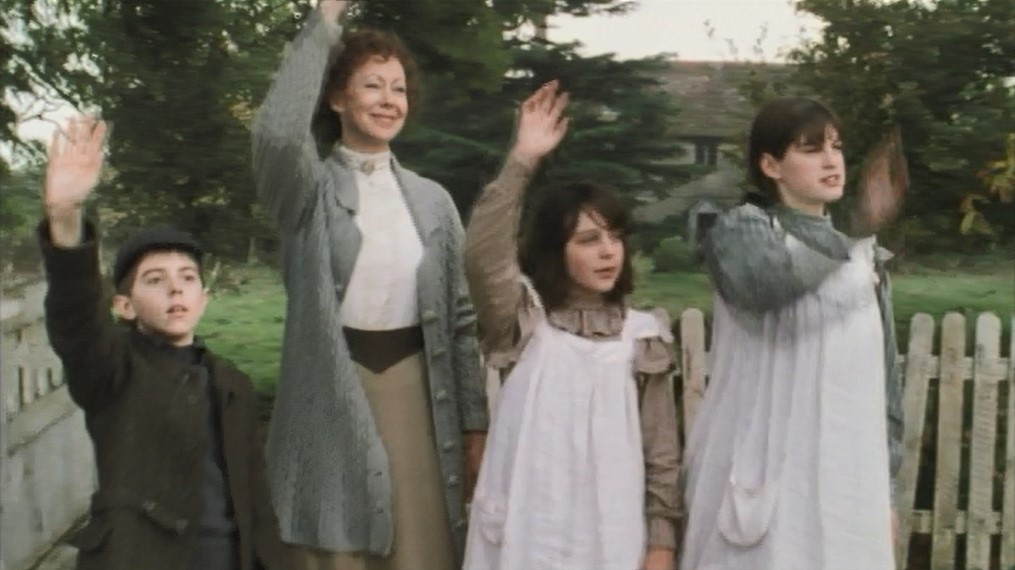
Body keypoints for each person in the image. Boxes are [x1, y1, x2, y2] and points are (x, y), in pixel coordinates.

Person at [249, 1, 487, 568]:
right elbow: (277, 134)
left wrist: (474, 424)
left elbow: (460, 323)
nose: (388, 100)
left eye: (398, 89)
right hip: (332, 396)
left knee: (421, 548)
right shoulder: (306, 193)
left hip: (418, 400)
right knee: (339, 548)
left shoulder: (434, 202)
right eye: (372, 85)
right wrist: (323, 26)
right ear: (337, 97)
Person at [39, 117, 293, 570]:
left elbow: (257, 504)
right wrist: (65, 215)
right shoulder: (113, 369)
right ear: (124, 306)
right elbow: (76, 316)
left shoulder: (232, 384)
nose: (176, 288)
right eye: (155, 280)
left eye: (187, 278)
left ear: (203, 298)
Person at [462, 81, 682, 570]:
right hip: (528, 532)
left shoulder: (642, 338)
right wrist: (522, 160)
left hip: (611, 535)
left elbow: (661, 454)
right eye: (588, 240)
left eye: (614, 238)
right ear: (555, 251)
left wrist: (661, 544)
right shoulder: (523, 322)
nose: (607, 251)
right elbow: (482, 255)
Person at [680, 97, 906, 570]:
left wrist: (884, 495)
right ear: (771, 165)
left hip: (846, 488)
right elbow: (769, 284)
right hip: (761, 479)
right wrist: (860, 229)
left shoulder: (867, 262)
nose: (831, 160)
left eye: (836, 147)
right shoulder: (741, 231)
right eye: (811, 149)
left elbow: (886, 391)